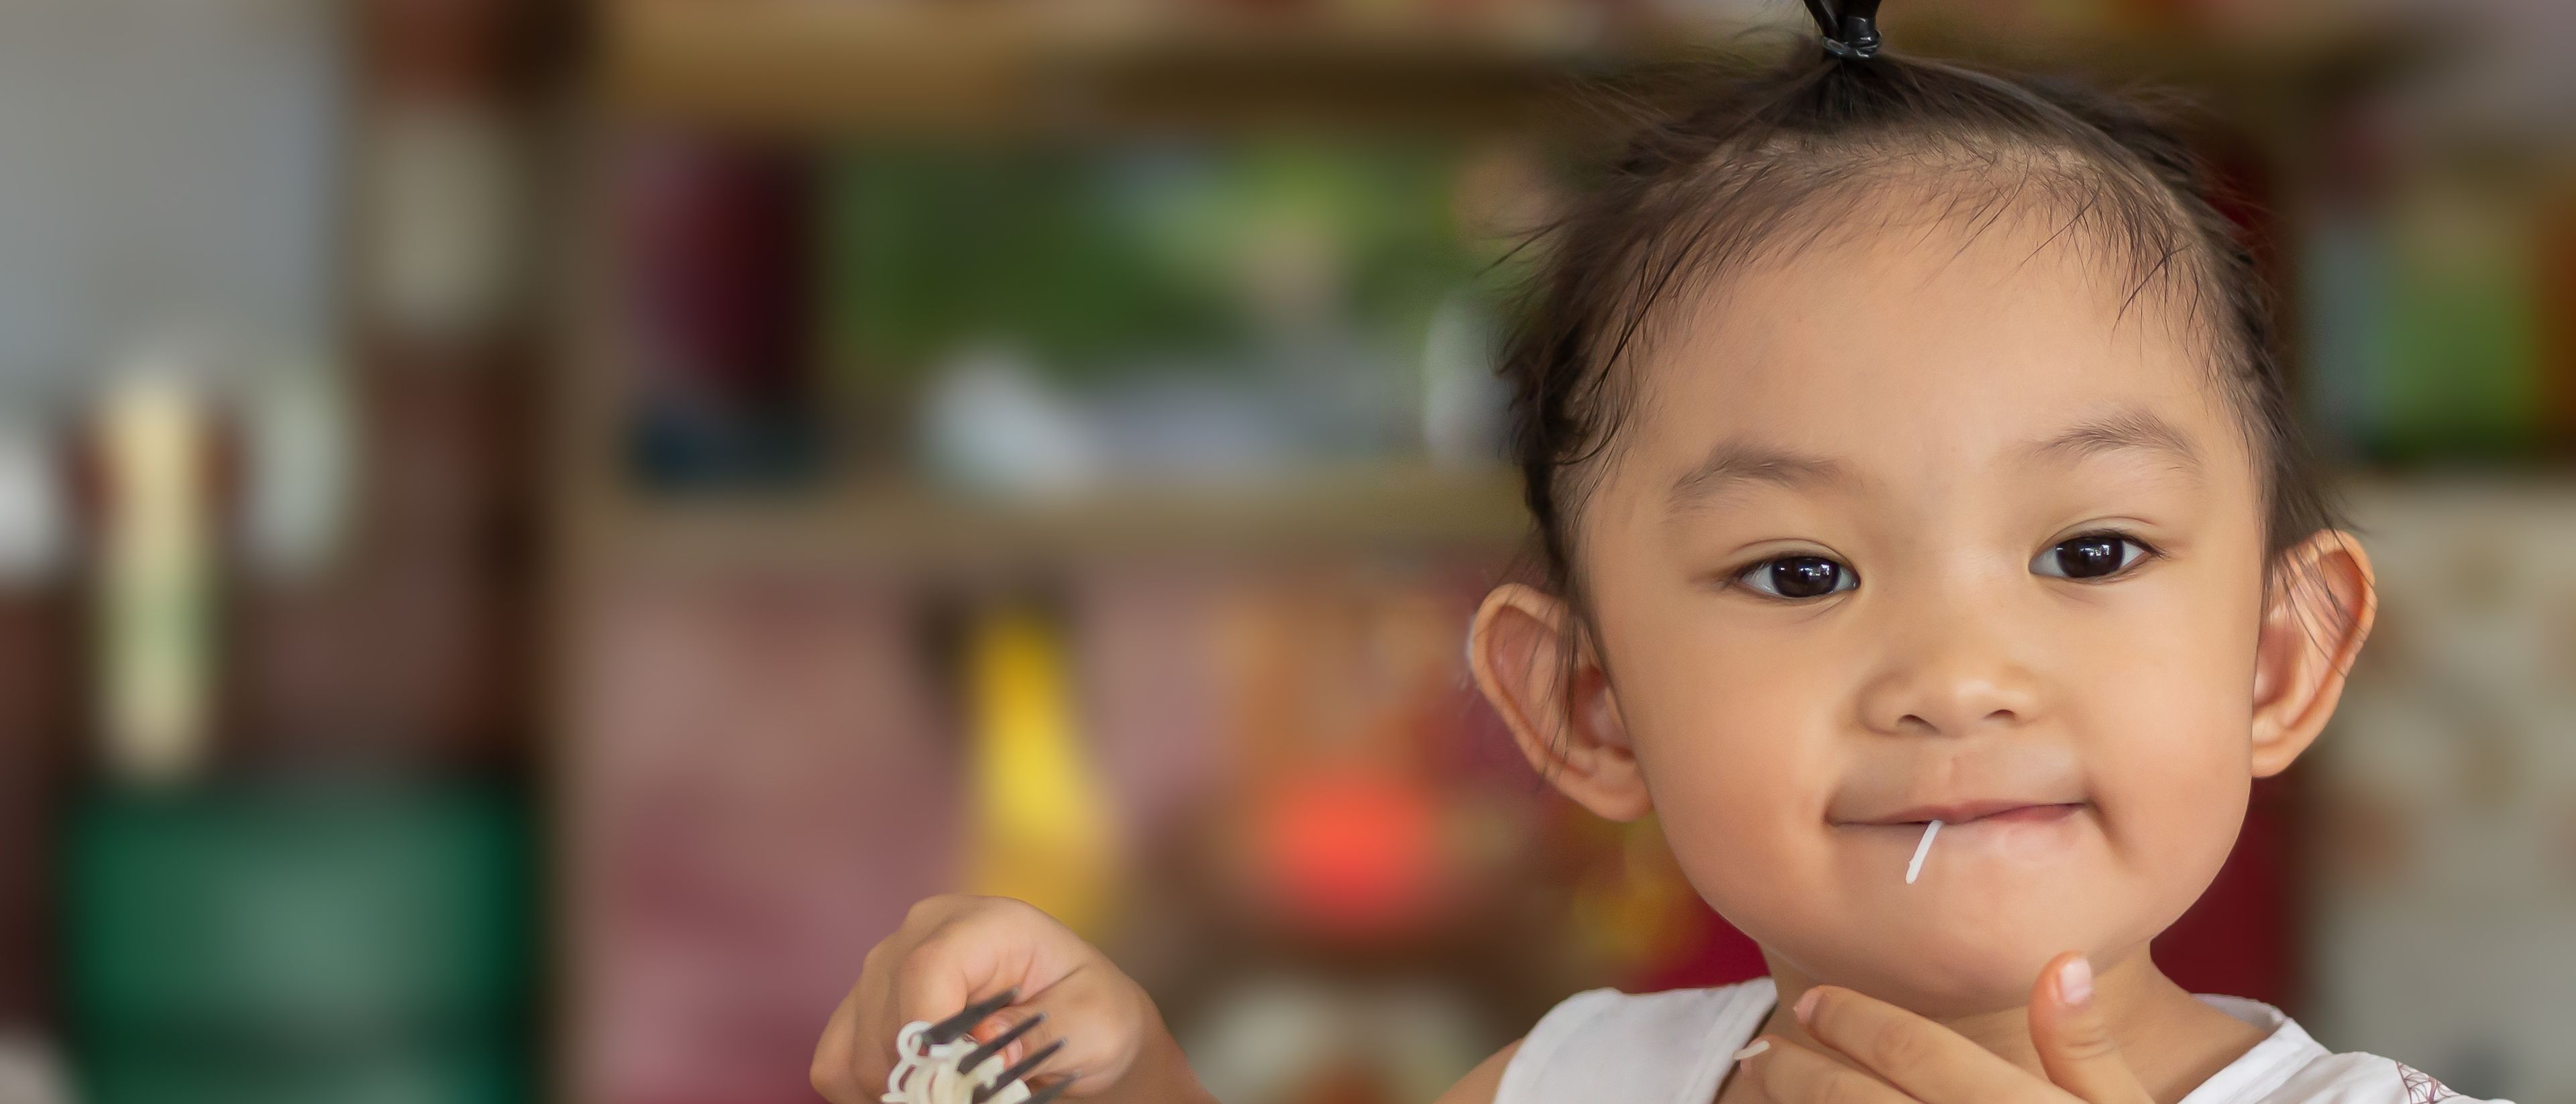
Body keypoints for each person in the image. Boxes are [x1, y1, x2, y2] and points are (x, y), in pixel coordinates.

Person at [813, 3, 2506, 1101]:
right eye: (1800, 572)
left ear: (2281, 657)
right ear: (1590, 703)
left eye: (2092, 547)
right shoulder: (1569, 1082)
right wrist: (1118, 1083)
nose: (1958, 678)